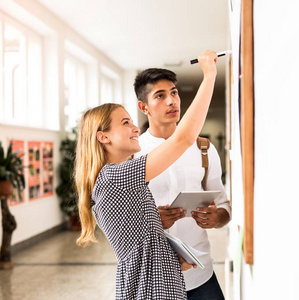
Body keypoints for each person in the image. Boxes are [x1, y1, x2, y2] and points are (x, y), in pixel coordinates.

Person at [74, 50, 218, 300]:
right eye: (125, 123)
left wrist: (169, 259)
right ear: (103, 137)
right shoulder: (114, 177)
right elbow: (183, 139)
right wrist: (209, 75)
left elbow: (142, 245)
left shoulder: (119, 177)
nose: (133, 127)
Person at [133, 66, 231, 300]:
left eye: (174, 93)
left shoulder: (204, 149)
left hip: (201, 275)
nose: (171, 101)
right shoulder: (133, 155)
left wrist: (217, 218)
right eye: (160, 95)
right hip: (155, 278)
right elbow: (120, 221)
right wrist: (152, 220)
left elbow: (225, 206)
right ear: (143, 107)